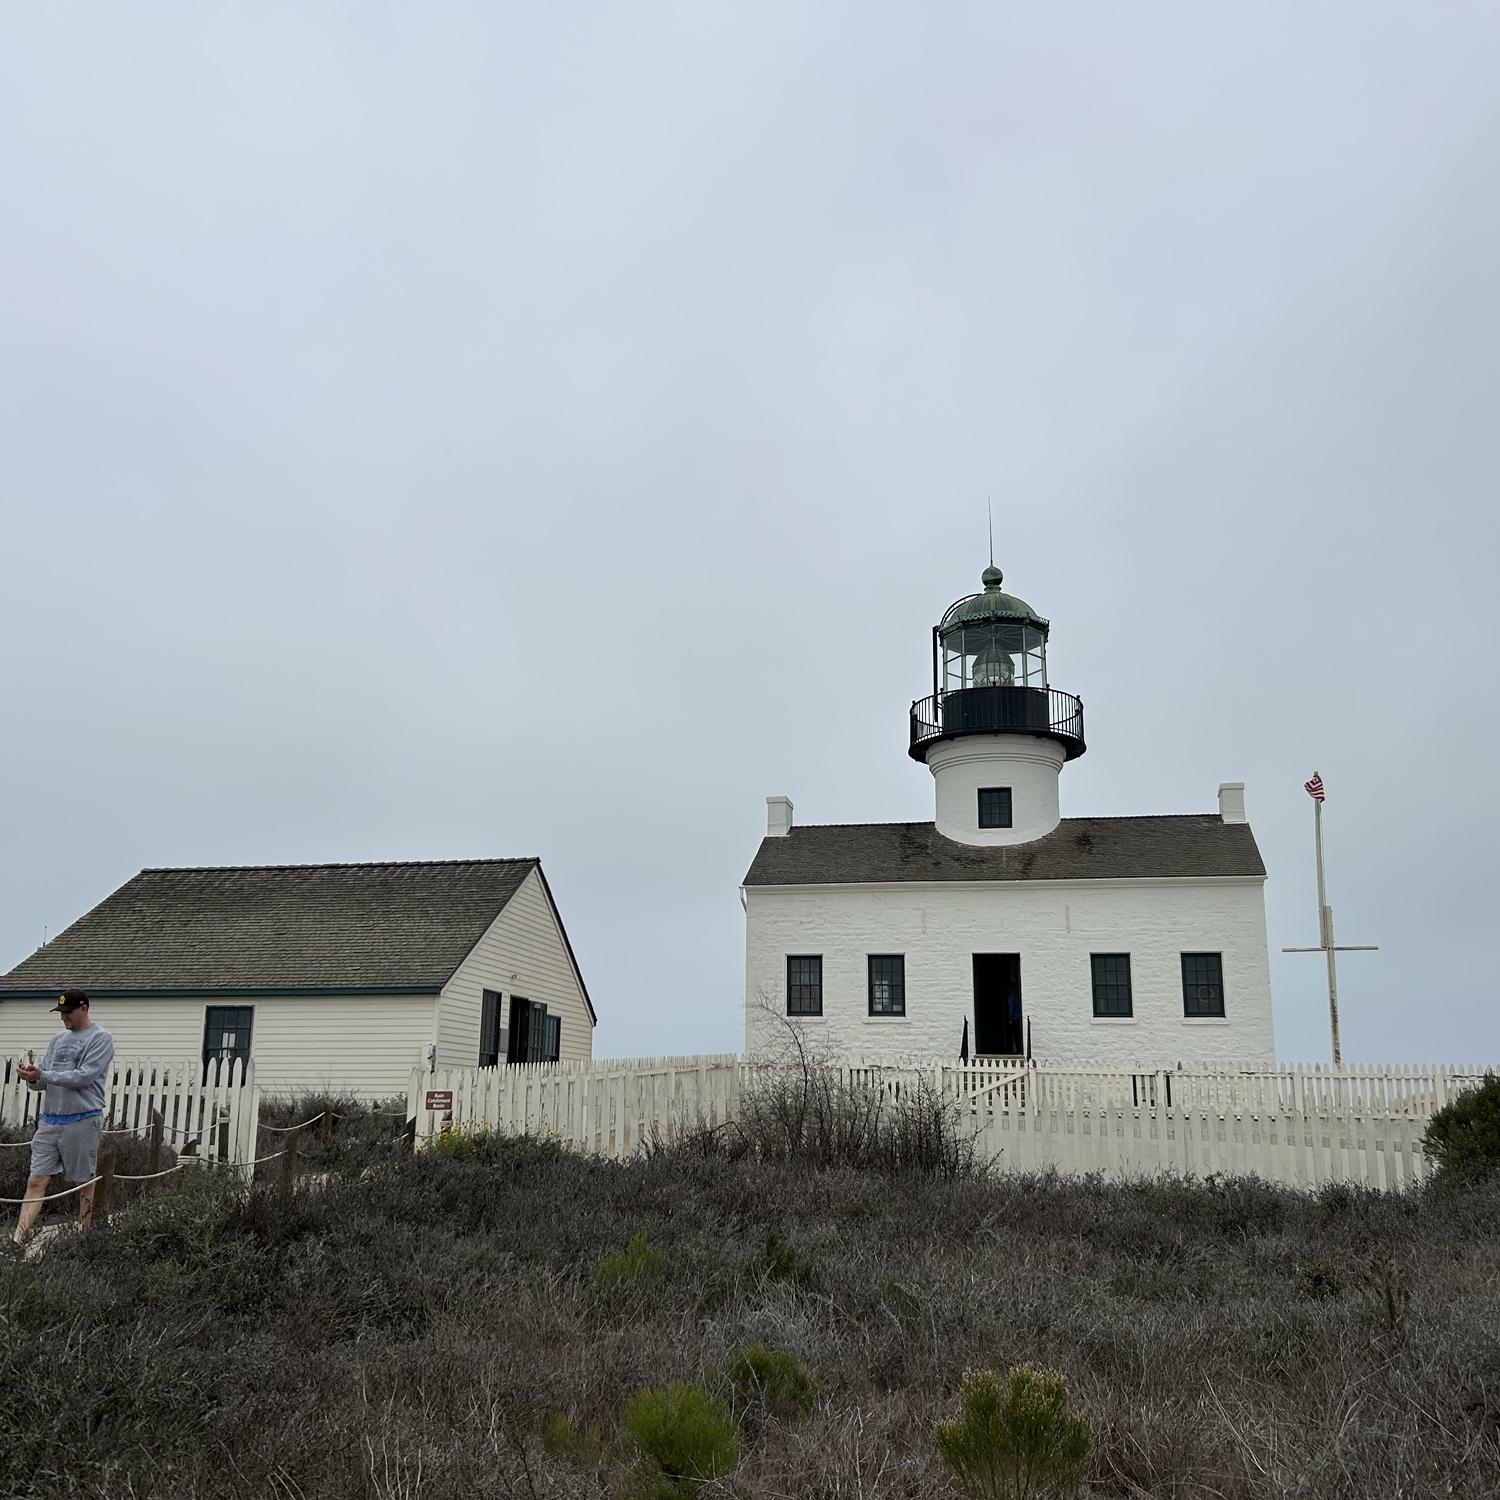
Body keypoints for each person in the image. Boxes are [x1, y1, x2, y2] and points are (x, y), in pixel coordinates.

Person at [12, 989, 115, 1245]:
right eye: (61, 1013)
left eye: (68, 1013)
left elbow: (84, 1076)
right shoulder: (58, 1040)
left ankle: (84, 1237)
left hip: (83, 1119)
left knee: (83, 1182)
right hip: (50, 1121)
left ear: (84, 1008)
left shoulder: (101, 1038)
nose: (64, 1018)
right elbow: (43, 1079)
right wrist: (31, 1078)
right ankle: (17, 1240)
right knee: (36, 1179)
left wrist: (43, 1075)